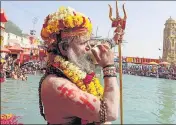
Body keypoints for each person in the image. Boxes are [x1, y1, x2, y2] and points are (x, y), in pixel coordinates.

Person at [39, 6, 120, 124]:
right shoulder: (56, 84)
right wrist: (109, 67)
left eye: (89, 42)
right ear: (64, 48)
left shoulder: (72, 69)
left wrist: (114, 40)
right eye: (83, 43)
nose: (89, 47)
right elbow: (110, 113)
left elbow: (98, 49)